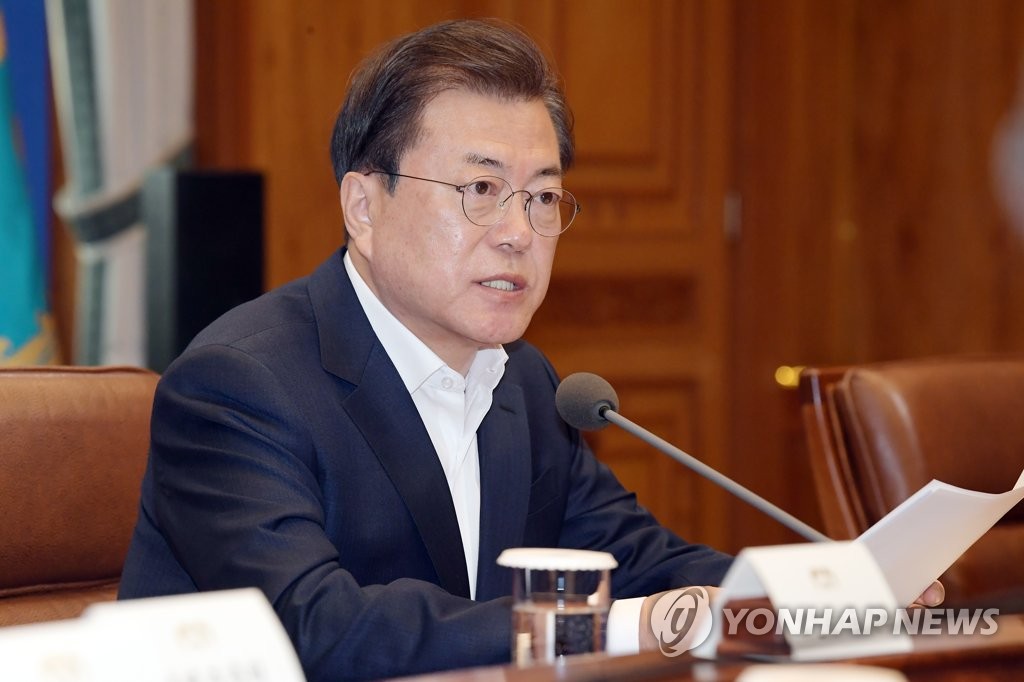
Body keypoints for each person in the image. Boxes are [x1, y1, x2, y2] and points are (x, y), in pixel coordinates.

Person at [119, 17, 941, 682]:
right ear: (364, 207)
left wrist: (821, 600)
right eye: (481, 190)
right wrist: (618, 627)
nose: (519, 232)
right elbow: (317, 630)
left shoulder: (524, 383)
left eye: (543, 197)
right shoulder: (239, 386)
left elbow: (637, 563)